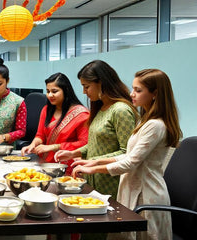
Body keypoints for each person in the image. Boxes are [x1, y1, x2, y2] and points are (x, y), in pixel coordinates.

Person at [71, 69, 181, 240]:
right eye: (133, 88)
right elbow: (128, 155)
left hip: (146, 194)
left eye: (138, 90)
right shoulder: (146, 122)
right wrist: (94, 163)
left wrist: (94, 169)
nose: (131, 94)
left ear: (155, 94)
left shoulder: (155, 125)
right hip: (133, 188)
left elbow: (130, 163)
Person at [55, 60, 138, 200]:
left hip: (110, 182)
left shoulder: (121, 110)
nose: (84, 91)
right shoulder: (101, 107)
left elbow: (127, 152)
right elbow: (95, 144)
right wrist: (74, 153)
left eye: (86, 86)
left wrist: (93, 161)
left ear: (101, 83)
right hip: (94, 178)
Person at [21, 73, 89, 175]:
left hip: (67, 166)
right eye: (48, 91)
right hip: (45, 164)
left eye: (54, 91)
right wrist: (33, 144)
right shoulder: (46, 110)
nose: (50, 95)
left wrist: (54, 147)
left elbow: (84, 144)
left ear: (65, 91)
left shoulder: (81, 114)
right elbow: (40, 135)